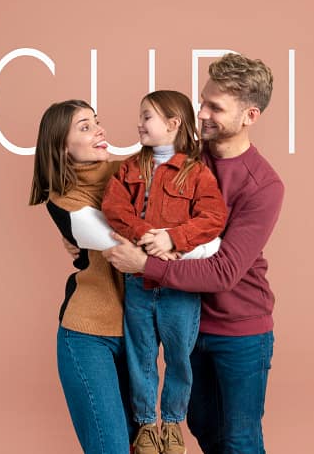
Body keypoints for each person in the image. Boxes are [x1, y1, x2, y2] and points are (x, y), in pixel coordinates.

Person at [102, 53, 284, 454]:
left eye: (215, 107)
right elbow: (124, 188)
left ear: (250, 116)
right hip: (188, 322)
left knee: (239, 443)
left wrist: (144, 265)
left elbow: (223, 272)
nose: (200, 113)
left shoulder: (263, 185)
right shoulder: (185, 157)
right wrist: (75, 224)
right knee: (203, 431)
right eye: (202, 101)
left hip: (239, 331)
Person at [101, 90, 227, 454]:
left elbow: (214, 218)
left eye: (147, 117)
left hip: (180, 289)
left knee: (178, 358)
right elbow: (114, 206)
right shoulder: (130, 167)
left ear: (173, 124)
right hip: (139, 283)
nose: (139, 124)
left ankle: (171, 424)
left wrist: (174, 239)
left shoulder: (196, 172)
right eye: (140, 117)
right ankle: (144, 425)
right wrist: (143, 234)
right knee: (140, 356)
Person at [29, 99, 136, 454]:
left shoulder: (130, 171)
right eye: (85, 127)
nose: (99, 130)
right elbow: (124, 246)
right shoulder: (63, 201)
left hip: (135, 336)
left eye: (97, 122)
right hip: (88, 335)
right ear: (62, 145)